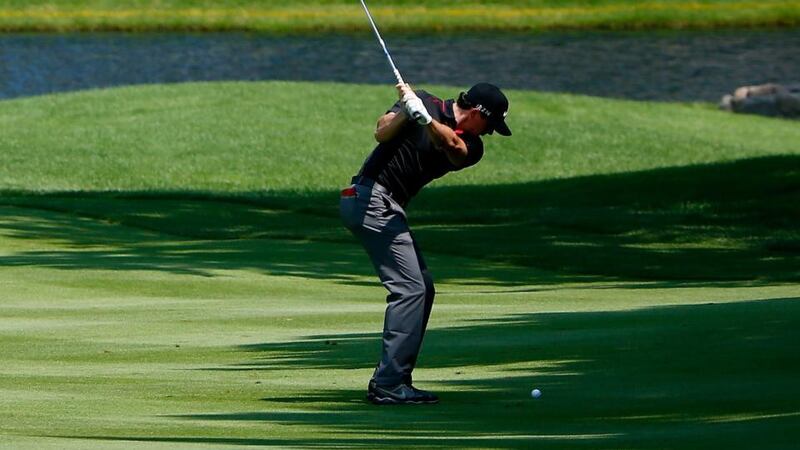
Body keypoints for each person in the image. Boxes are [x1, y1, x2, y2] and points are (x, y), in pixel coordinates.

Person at [339, 82, 512, 405]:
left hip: (383, 205)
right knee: (411, 289)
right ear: (478, 112)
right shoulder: (423, 100)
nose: (489, 132)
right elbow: (381, 132)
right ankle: (389, 384)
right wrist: (407, 111)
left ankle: (396, 378)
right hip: (370, 200)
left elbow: (452, 147)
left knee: (423, 288)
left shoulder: (472, 145)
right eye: (490, 124)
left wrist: (426, 120)